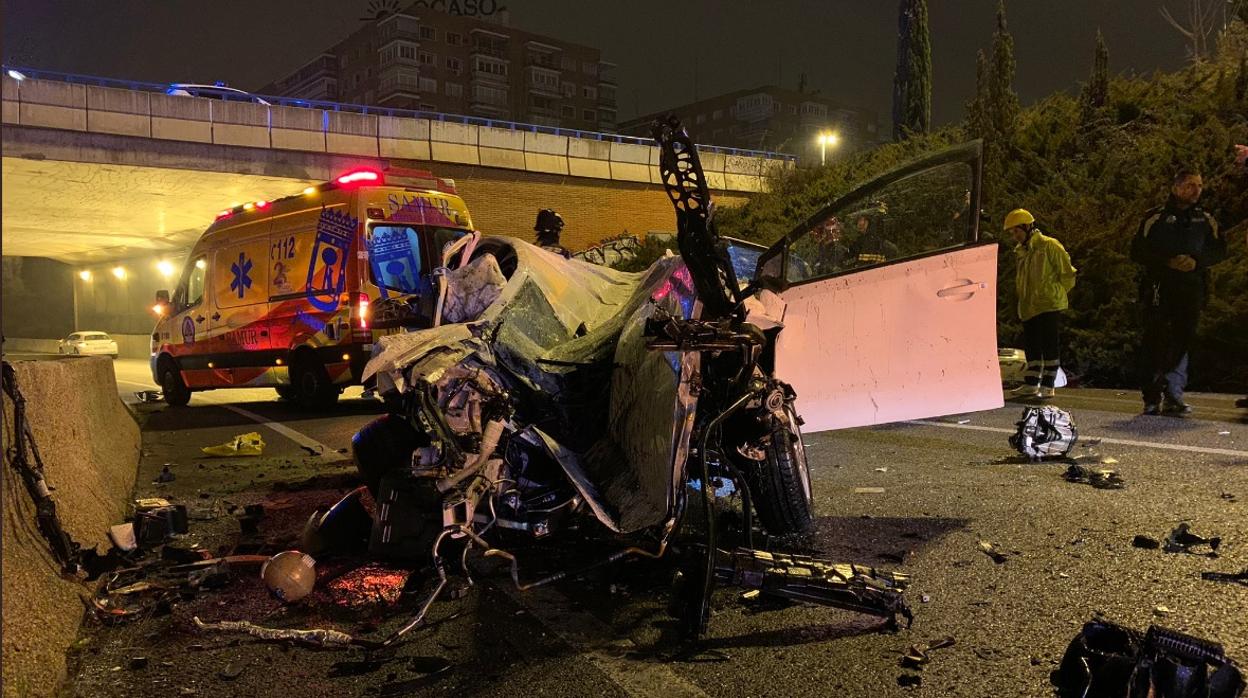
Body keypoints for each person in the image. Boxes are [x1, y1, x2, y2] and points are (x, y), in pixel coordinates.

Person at [1131, 168, 1225, 416]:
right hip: (1160, 288)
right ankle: (1152, 394)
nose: (1196, 191)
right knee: (1155, 337)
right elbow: (1137, 251)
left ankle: (1174, 392)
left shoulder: (1205, 219)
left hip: (1192, 287)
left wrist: (1197, 261)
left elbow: (1219, 250)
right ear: (1176, 188)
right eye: (1191, 185)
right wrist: (1166, 261)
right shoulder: (1156, 218)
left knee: (1185, 338)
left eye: (1200, 186)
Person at [1005, 209, 1077, 399]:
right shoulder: (1021, 251)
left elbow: (1068, 274)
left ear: (1027, 227)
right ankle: (1031, 384)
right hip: (1029, 306)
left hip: (1048, 304)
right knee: (1032, 346)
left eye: (1016, 231)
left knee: (1049, 344)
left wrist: (1054, 294)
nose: (1015, 236)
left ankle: (1048, 385)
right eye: (1012, 233)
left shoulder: (1049, 246)